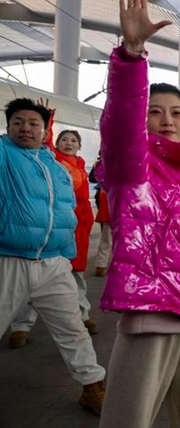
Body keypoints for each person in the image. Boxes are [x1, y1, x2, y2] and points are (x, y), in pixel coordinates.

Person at [97, 0, 180, 427]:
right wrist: (132, 55)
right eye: (155, 112)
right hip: (152, 313)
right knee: (128, 418)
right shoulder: (133, 164)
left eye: (175, 113)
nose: (166, 120)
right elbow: (121, 123)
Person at [0, 97, 106, 414]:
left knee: (73, 328)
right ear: (7, 127)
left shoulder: (55, 166)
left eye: (34, 123)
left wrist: (66, 255)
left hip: (53, 263)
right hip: (9, 259)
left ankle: (91, 386)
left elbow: (65, 212)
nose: (25, 128)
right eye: (18, 122)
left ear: (46, 131)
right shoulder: (4, 155)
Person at [10, 110, 99, 344]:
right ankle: (22, 325)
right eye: (64, 140)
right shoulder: (53, 162)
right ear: (55, 142)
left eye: (73, 141)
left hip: (77, 228)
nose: (68, 143)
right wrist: (47, 120)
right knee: (33, 278)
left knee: (75, 275)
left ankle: (82, 315)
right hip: (48, 229)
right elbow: (44, 148)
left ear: (79, 146)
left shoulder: (80, 167)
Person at [90, 158, 113, 277]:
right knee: (108, 238)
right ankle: (102, 265)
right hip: (110, 205)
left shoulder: (102, 163)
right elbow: (93, 178)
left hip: (111, 205)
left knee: (107, 238)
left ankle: (102, 265)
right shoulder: (101, 163)